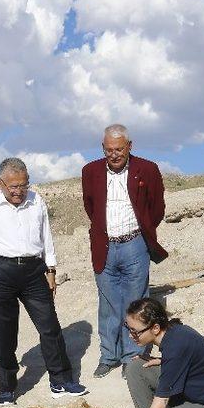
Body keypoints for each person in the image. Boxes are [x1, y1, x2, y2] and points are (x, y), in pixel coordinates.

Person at [0, 157, 87, 408]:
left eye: (24, 185)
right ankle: (7, 387)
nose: (19, 191)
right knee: (5, 332)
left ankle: (61, 380)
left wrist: (50, 270)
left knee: (50, 326)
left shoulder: (36, 200)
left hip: (33, 271)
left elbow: (47, 238)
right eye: (13, 187)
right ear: (0, 183)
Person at [82, 124, 167, 378]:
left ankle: (134, 358)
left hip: (135, 245)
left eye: (119, 149)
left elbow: (157, 207)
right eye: (109, 150)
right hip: (104, 245)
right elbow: (90, 207)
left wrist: (142, 232)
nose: (114, 155)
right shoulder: (90, 171)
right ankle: (109, 356)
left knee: (136, 304)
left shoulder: (147, 169)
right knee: (109, 305)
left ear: (130, 146)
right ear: (103, 148)